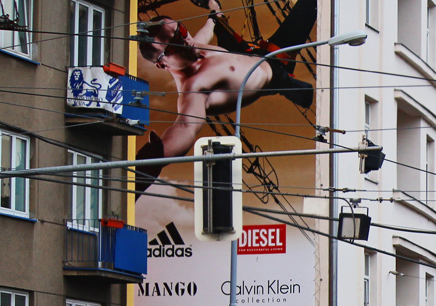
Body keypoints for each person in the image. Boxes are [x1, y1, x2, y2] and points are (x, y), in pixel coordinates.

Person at [133, 0, 318, 191]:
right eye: (173, 45)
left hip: (255, 52)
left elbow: (204, 33)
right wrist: (153, 157)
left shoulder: (192, 45)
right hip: (277, 75)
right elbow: (185, 127)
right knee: (322, 96)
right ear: (163, 64)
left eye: (180, 31)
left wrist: (213, 11)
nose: (185, 41)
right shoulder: (194, 88)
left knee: (310, 3)